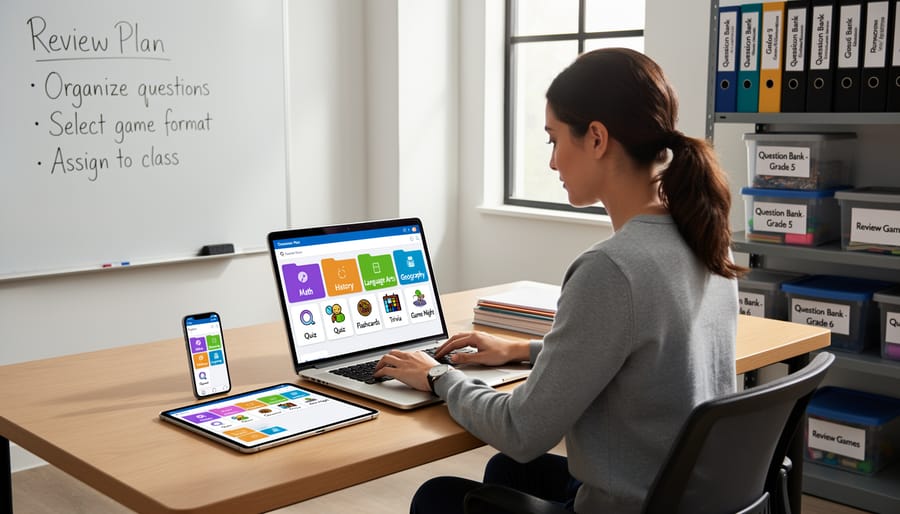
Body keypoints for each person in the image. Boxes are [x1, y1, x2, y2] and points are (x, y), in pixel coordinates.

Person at [373, 47, 745, 513]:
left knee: (438, 497)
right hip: (684, 495)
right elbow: (643, 354)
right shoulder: (705, 235)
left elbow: (522, 430)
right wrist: (519, 350)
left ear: (596, 138)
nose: (551, 162)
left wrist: (437, 376)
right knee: (508, 472)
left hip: (629, 506)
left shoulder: (611, 269)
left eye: (553, 139)